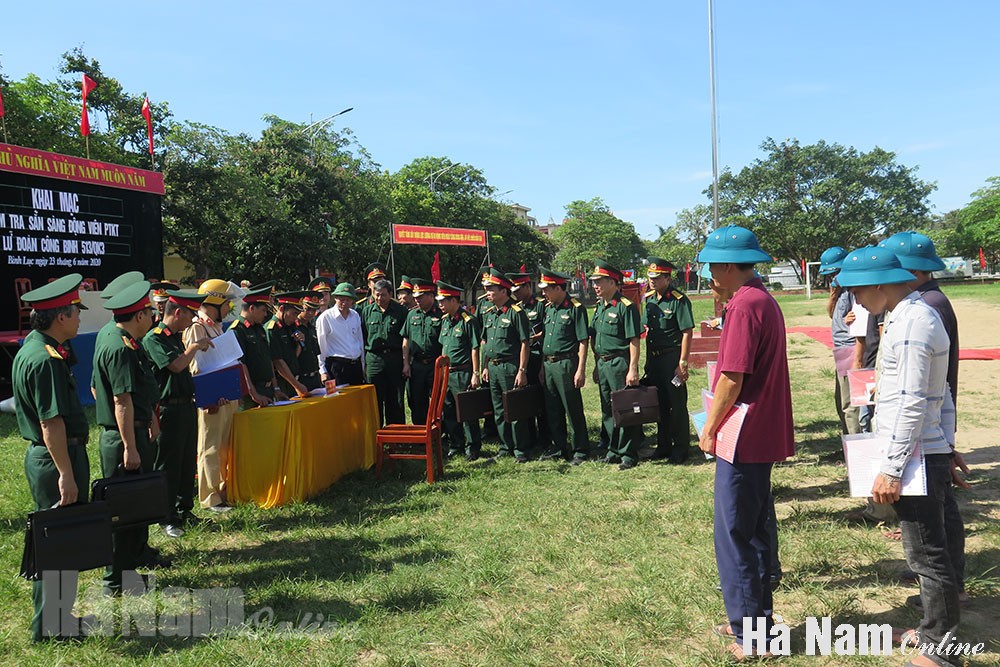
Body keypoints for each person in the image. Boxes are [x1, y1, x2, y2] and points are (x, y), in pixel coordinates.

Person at [836, 246, 960, 666]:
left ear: (878, 285)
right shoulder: (906, 317)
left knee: (927, 555)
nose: (854, 300)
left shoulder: (911, 323)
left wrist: (891, 469)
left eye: (856, 291)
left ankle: (940, 649)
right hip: (925, 449)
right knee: (927, 550)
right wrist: (947, 441)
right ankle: (932, 630)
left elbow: (911, 401)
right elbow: (939, 397)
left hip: (915, 456)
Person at [696, 226, 794, 661]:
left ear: (729, 266)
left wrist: (709, 428)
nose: (709, 276)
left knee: (735, 533)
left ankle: (751, 635)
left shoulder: (743, 305)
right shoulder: (761, 300)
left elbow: (732, 378)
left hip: (742, 436)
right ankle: (755, 621)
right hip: (759, 433)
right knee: (751, 530)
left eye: (712, 267)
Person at [883, 231, 969, 606]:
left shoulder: (924, 307)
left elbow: (920, 390)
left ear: (910, 271)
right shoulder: (926, 301)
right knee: (937, 515)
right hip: (932, 420)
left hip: (927, 423)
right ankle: (946, 586)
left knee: (938, 519)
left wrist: (946, 442)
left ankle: (951, 590)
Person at [13, 274, 92, 641]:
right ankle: (51, 625)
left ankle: (58, 617)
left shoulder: (34, 348)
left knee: (61, 540)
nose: (79, 318)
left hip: (51, 456)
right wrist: (67, 474)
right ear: (60, 317)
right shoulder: (44, 359)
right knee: (58, 542)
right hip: (56, 458)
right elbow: (51, 423)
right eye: (75, 312)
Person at [92, 280, 162, 595]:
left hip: (131, 431)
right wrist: (131, 446)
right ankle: (115, 580)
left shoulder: (120, 339)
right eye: (150, 312)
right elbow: (121, 400)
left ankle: (130, 570)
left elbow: (97, 388)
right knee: (122, 512)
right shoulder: (119, 346)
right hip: (125, 439)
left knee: (136, 507)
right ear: (138, 317)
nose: (153, 317)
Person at [142, 290, 212, 538]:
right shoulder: (155, 338)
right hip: (168, 408)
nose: (191, 321)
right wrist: (195, 346)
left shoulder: (174, 337)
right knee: (168, 464)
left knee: (185, 462)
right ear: (178, 312)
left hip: (185, 405)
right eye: (190, 315)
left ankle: (184, 510)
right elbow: (176, 365)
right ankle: (166, 516)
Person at [185, 278, 238, 512]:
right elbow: (196, 367)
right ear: (214, 301)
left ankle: (223, 490)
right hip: (212, 399)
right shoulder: (197, 327)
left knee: (225, 445)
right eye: (226, 303)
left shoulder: (216, 326)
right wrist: (209, 396)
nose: (229, 308)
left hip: (227, 396)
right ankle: (210, 497)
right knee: (210, 446)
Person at [589, 260, 643, 470]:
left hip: (620, 363)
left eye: (599, 281)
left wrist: (633, 368)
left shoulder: (625, 307)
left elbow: (634, 339)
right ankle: (614, 449)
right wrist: (595, 364)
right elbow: (595, 338)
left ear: (613, 282)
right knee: (607, 409)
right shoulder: (599, 307)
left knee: (624, 409)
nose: (595, 285)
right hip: (602, 364)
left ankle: (629, 453)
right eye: (594, 282)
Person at [643, 257, 695, 463]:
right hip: (654, 359)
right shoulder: (649, 299)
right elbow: (648, 332)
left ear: (667, 278)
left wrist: (682, 362)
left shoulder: (678, 300)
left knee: (677, 404)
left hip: (671, 358)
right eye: (650, 277)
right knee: (659, 405)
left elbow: (687, 332)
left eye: (657, 277)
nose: (652, 281)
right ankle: (663, 446)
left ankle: (681, 448)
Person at [537, 267, 591, 464]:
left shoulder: (575, 308)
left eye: (547, 289)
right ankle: (560, 447)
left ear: (558, 288)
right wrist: (543, 367)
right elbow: (545, 339)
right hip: (549, 364)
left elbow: (583, 340)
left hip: (566, 364)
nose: (543, 293)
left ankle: (580, 449)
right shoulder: (548, 308)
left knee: (572, 408)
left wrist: (580, 369)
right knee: (553, 409)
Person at [480, 268, 531, 461]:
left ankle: (520, 449)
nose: (487, 292)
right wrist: (485, 366)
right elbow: (486, 343)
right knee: (499, 410)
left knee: (515, 409)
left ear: (503, 291)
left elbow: (525, 343)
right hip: (492, 367)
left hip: (510, 367)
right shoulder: (489, 313)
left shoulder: (516, 312)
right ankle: (505, 446)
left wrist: (522, 370)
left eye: (491, 289)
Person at [436, 280, 484, 460]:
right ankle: (456, 444)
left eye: (443, 301)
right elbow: (444, 347)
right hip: (448, 372)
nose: (440, 304)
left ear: (454, 301)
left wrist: (475, 373)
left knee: (467, 411)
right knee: (448, 411)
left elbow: (475, 348)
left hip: (463, 372)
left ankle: (473, 447)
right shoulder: (445, 321)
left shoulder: (468, 321)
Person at [819, 246, 864, 435]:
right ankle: (847, 443)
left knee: (852, 405)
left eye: (835, 273)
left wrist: (858, 360)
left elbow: (862, 319)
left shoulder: (854, 289)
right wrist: (832, 295)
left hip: (851, 349)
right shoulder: (839, 291)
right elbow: (832, 315)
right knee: (841, 402)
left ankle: (856, 448)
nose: (833, 277)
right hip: (841, 350)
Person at [508, 271, 551, 455]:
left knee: (541, 401)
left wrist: (532, 338)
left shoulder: (540, 306)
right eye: (513, 290)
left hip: (537, 357)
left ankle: (545, 438)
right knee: (526, 402)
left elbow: (546, 331)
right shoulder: (517, 308)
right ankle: (530, 437)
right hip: (523, 359)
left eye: (518, 289)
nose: (516, 294)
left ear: (527, 287)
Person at [362, 279, 408, 425]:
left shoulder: (401, 311)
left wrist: (405, 362)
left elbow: (406, 338)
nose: (379, 298)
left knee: (395, 399)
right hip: (374, 360)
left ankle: (396, 435)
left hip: (394, 359)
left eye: (383, 295)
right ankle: (377, 435)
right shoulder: (367, 311)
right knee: (375, 400)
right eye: (377, 295)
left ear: (390, 294)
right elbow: (362, 337)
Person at [230, 285, 283, 410]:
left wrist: (276, 388)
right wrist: (254, 394)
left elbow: (268, 359)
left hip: (267, 390)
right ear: (252, 308)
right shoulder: (237, 330)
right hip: (251, 394)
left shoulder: (259, 329)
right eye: (263, 310)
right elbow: (240, 365)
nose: (265, 314)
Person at [402, 278, 444, 425]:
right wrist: (406, 363)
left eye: (420, 297)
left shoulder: (441, 315)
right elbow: (406, 341)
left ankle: (440, 432)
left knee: (438, 401)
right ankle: (420, 431)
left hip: (435, 364)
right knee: (417, 401)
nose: (417, 300)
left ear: (431, 296)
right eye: (415, 297)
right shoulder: (411, 315)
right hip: (417, 365)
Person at [316, 282, 366, 386]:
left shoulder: (355, 315)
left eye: (348, 299)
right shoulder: (326, 317)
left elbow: (360, 341)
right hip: (337, 367)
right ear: (335, 298)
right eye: (341, 299)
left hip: (355, 367)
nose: (344, 302)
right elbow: (321, 346)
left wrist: (362, 365)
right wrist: (322, 370)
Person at [267, 291, 312, 399]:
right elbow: (278, 361)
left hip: (293, 380)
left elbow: (293, 357)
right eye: (294, 314)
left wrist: (299, 344)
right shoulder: (272, 329)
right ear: (282, 309)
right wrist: (297, 385)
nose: (295, 318)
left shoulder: (290, 326)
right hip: (281, 383)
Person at [295, 292, 324, 391]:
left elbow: (315, 353)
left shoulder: (311, 328)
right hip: (301, 378)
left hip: (315, 376)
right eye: (307, 309)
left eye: (314, 310)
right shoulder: (294, 327)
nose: (311, 313)